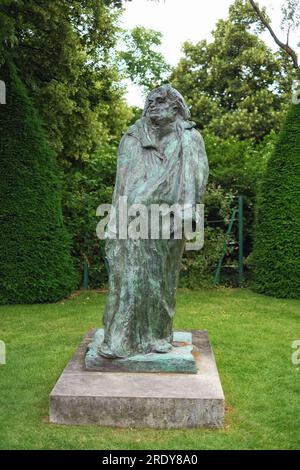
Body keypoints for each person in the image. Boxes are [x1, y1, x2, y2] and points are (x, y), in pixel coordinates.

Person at [99, 84, 209, 358]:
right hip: (133, 221)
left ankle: (158, 335)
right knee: (128, 278)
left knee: (163, 281)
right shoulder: (133, 137)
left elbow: (198, 178)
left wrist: (187, 216)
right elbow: (121, 183)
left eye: (161, 100)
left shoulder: (190, 139)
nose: (154, 104)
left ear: (177, 108)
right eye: (151, 100)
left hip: (171, 221)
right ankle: (120, 340)